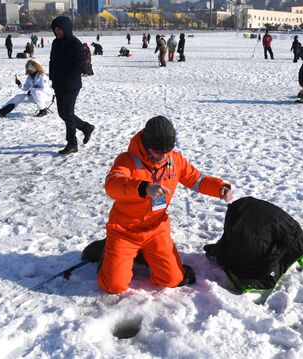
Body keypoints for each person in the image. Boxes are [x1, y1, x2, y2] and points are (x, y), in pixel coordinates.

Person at [97, 116, 233, 294]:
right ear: (146, 145)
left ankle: (141, 255)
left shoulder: (174, 160)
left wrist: (220, 188)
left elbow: (197, 179)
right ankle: (106, 255)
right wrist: (143, 187)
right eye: (158, 152)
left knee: (173, 279)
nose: (163, 156)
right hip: (124, 230)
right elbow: (112, 184)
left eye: (167, 151)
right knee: (114, 286)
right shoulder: (127, 160)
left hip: (156, 229)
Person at [50, 16, 95, 155]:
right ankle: (86, 127)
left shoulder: (75, 43)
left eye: (60, 29)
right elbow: (53, 61)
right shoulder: (55, 43)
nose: (57, 32)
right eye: (55, 29)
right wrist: (53, 77)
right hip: (58, 84)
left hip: (71, 85)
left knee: (68, 113)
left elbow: (80, 65)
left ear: (66, 29)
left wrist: (69, 78)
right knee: (63, 113)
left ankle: (72, 143)